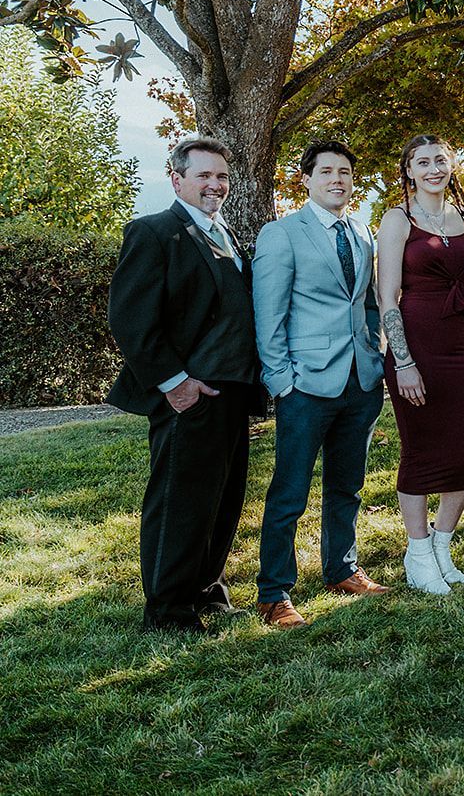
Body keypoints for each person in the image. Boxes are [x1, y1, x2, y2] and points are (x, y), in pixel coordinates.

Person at [107, 137, 265, 634]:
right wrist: (176, 384)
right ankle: (168, 609)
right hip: (188, 395)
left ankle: (206, 591)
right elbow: (131, 320)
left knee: (222, 497)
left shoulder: (227, 234)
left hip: (233, 391)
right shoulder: (154, 232)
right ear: (177, 179)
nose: (215, 184)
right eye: (204, 176)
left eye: (221, 176)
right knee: (180, 501)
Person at [254, 141, 388, 628]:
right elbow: (267, 315)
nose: (338, 180)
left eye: (346, 172)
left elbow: (367, 302)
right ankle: (274, 592)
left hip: (361, 380)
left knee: (347, 485)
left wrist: (376, 354)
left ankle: (342, 569)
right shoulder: (282, 233)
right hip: (305, 385)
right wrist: (281, 381)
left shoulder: (362, 231)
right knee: (290, 491)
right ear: (306, 178)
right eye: (327, 171)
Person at [376, 135, 464, 595]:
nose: (434, 168)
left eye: (441, 159)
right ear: (410, 171)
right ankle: (417, 553)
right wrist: (402, 361)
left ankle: (442, 546)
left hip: (461, 344)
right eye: (424, 162)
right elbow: (387, 296)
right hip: (415, 343)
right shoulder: (398, 219)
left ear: (452, 163)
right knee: (421, 449)